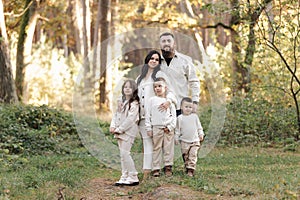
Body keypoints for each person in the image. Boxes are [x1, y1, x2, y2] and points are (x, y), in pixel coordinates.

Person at [136, 50, 176, 180]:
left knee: (154, 144)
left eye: (157, 59)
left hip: (158, 116)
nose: (154, 61)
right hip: (142, 115)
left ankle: (150, 170)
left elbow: (171, 92)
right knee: (147, 143)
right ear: (147, 60)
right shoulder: (140, 78)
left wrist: (168, 102)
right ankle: (151, 169)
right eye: (151, 58)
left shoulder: (161, 75)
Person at [159, 32, 200, 115]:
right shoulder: (155, 62)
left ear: (174, 44)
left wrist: (195, 102)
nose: (166, 43)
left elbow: (194, 82)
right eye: (163, 41)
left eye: (169, 41)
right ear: (160, 44)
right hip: (162, 107)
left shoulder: (185, 61)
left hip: (181, 107)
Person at [110, 79, 140, 186]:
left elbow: (130, 119)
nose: (127, 89)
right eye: (125, 87)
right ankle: (124, 175)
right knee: (122, 155)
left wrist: (119, 129)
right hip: (119, 130)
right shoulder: (121, 102)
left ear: (134, 90)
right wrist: (113, 126)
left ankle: (133, 176)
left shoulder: (135, 103)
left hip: (128, 131)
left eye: (130, 87)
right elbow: (116, 115)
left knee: (125, 153)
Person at [145, 77, 177, 177]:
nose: (157, 88)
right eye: (155, 87)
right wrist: (149, 128)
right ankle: (156, 168)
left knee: (168, 148)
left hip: (167, 128)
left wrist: (170, 127)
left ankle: (168, 167)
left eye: (160, 86)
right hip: (156, 127)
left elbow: (174, 116)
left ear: (165, 87)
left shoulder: (169, 101)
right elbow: (148, 115)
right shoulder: (152, 100)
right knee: (156, 148)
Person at [175, 97, 204, 177]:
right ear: (181, 107)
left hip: (195, 140)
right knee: (186, 155)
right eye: (186, 107)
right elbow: (177, 129)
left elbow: (199, 127)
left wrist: (201, 133)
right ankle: (187, 166)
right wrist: (176, 137)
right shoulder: (180, 118)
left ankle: (191, 169)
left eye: (190, 107)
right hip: (184, 141)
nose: (188, 109)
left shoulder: (194, 117)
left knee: (193, 154)